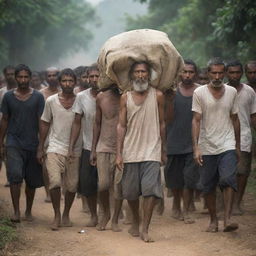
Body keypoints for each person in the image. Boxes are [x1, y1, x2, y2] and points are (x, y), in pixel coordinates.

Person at [116, 61, 166, 242]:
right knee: (130, 192)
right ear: (132, 75)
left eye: (143, 71)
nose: (140, 75)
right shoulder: (125, 97)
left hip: (152, 150)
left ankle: (145, 228)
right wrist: (119, 153)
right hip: (131, 151)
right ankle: (136, 222)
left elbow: (162, 123)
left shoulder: (158, 95)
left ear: (149, 74)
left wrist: (163, 149)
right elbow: (121, 125)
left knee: (150, 191)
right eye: (137, 72)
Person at [192, 57, 240, 232]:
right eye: (214, 72)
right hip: (207, 145)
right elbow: (196, 120)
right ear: (208, 73)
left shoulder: (231, 92)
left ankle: (227, 218)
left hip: (227, 143)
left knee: (228, 179)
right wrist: (196, 147)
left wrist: (237, 145)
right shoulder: (200, 93)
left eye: (221, 72)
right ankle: (213, 219)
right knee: (208, 185)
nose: (217, 76)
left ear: (225, 73)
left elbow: (235, 119)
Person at [37, 68, 81, 230]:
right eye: (64, 81)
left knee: (71, 187)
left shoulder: (80, 100)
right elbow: (45, 123)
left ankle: (66, 214)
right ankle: (56, 214)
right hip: (54, 146)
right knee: (55, 182)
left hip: (75, 150)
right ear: (60, 83)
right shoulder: (51, 101)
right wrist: (41, 147)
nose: (67, 84)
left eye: (70, 81)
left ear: (75, 83)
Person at [0, 64, 44, 222]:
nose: (23, 80)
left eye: (26, 77)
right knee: (15, 177)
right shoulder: (8, 97)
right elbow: (4, 120)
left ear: (30, 78)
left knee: (31, 181)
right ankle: (16, 211)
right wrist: (1, 143)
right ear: (15, 78)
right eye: (20, 77)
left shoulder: (38, 97)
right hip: (13, 142)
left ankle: (28, 211)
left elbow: (41, 122)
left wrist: (41, 146)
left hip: (32, 143)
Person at [165, 60, 199, 224]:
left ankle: (186, 210)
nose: (187, 75)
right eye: (184, 72)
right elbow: (167, 118)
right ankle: (176, 205)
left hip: (193, 143)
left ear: (195, 74)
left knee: (189, 179)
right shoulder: (171, 92)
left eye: (191, 72)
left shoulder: (200, 91)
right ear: (179, 73)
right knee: (175, 179)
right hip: (173, 141)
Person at [69, 64, 99, 227]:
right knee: (88, 184)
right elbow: (76, 122)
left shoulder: (112, 94)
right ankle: (94, 215)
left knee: (106, 184)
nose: (94, 79)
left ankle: (109, 213)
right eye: (92, 76)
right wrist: (71, 146)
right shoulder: (81, 97)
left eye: (98, 76)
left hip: (108, 146)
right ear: (87, 77)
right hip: (87, 146)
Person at [90, 84, 122, 231]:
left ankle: (115, 218)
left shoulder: (128, 97)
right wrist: (93, 150)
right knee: (103, 185)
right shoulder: (101, 97)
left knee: (118, 187)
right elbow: (97, 123)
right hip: (103, 147)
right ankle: (106, 213)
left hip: (122, 149)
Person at [226, 60, 256, 215]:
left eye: (237, 72)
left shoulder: (249, 91)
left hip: (244, 136)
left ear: (241, 73)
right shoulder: (221, 90)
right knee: (226, 172)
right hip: (223, 137)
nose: (235, 75)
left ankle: (237, 203)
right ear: (226, 73)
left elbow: (253, 116)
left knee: (243, 172)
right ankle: (225, 205)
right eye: (231, 72)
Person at [40, 67, 60, 203]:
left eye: (54, 75)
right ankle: (48, 192)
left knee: (61, 164)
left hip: (61, 133)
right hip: (45, 133)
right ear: (46, 78)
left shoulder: (64, 93)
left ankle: (59, 190)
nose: (52, 77)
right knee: (46, 165)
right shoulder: (40, 94)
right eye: (49, 75)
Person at [0, 65, 17, 187]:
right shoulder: (1, 92)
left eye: (12, 74)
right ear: (5, 75)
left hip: (18, 127)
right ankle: (10, 177)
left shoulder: (21, 91)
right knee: (5, 153)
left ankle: (16, 177)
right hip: (4, 127)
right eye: (8, 74)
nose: (10, 76)